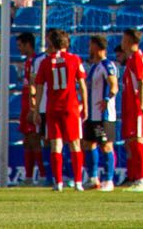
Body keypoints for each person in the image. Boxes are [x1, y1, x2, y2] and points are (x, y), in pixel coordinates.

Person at [35, 27, 86, 191]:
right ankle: (78, 182)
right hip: (70, 107)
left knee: (56, 145)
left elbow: (39, 87)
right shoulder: (75, 59)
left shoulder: (45, 62)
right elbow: (82, 86)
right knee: (75, 144)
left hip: (52, 107)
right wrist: (84, 104)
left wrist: (36, 109)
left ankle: (58, 183)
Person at [117, 28, 143, 192]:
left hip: (138, 106)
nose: (122, 43)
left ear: (131, 41)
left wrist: (142, 104)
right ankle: (133, 177)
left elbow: (142, 81)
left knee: (138, 142)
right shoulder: (133, 59)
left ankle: (142, 179)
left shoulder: (137, 58)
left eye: (124, 39)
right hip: (130, 106)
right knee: (131, 143)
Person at [82, 34, 119, 191]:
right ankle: (93, 178)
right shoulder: (94, 67)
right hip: (92, 115)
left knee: (106, 146)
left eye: (91, 45)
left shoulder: (107, 65)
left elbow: (114, 86)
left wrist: (106, 98)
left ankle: (109, 180)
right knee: (88, 143)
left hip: (104, 114)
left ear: (97, 47)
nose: (89, 49)